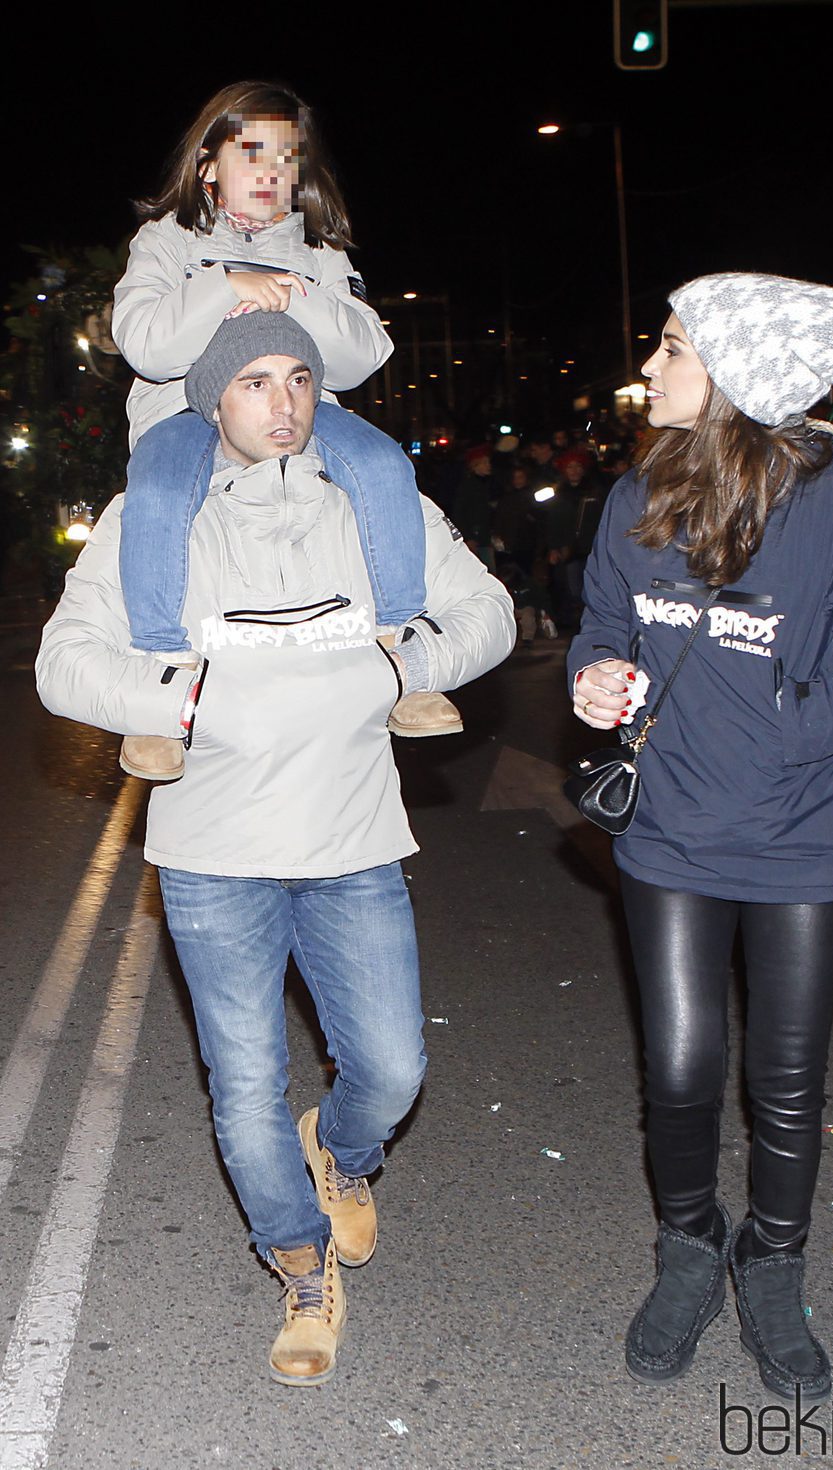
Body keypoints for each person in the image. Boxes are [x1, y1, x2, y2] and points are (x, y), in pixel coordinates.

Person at [36, 313, 515, 1386]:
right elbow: (63, 663)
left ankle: (341, 1157)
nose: (284, 400)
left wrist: (402, 668)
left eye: (299, 377)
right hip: (212, 855)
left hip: (349, 841)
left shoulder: (374, 510)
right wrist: (185, 693)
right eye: (253, 382)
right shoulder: (155, 519)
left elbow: (487, 610)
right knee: (242, 1088)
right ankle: (299, 1268)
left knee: (390, 1071)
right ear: (214, 402)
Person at [568, 273, 833, 1404]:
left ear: (733, 377)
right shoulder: (639, 489)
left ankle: (770, 1263)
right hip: (672, 829)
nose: (649, 369)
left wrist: (792, 721)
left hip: (801, 839)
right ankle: (689, 1243)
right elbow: (602, 619)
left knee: (784, 1082)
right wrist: (597, 681)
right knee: (680, 1070)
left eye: (671, 349)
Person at [112, 80, 461, 774]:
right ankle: (156, 695)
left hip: (304, 410)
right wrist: (225, 285)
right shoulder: (164, 242)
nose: (273, 171)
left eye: (288, 156)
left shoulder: (318, 250)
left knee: (385, 464)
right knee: (155, 492)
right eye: (254, 152)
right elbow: (144, 344)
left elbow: (364, 356)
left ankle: (403, 655)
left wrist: (296, 290)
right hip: (186, 412)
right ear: (208, 164)